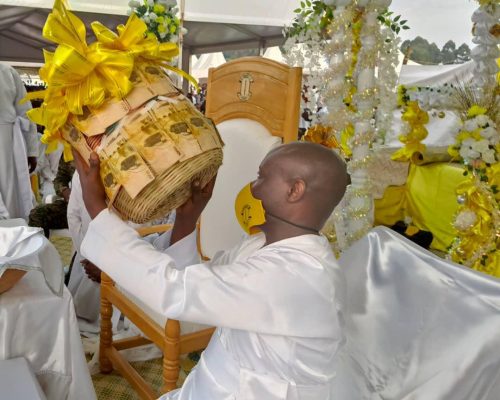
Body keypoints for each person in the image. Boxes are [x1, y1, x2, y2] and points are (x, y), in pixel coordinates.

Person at [76, 141, 349, 399]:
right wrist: (187, 218)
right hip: (216, 384)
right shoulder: (262, 245)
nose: (252, 188)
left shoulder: (298, 275)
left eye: (262, 177)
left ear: (294, 190)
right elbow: (200, 290)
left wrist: (99, 212)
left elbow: (177, 290)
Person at [0, 64, 38, 220]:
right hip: (8, 138)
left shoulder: (6, 71)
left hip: (8, 141)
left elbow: (26, 113)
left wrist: (31, 151)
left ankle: (11, 237)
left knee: (10, 195)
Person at [28, 157, 74, 237]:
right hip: (73, 208)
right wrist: (64, 191)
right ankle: (42, 248)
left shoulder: (102, 151)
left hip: (99, 211)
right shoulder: (69, 152)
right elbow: (60, 178)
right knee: (37, 215)